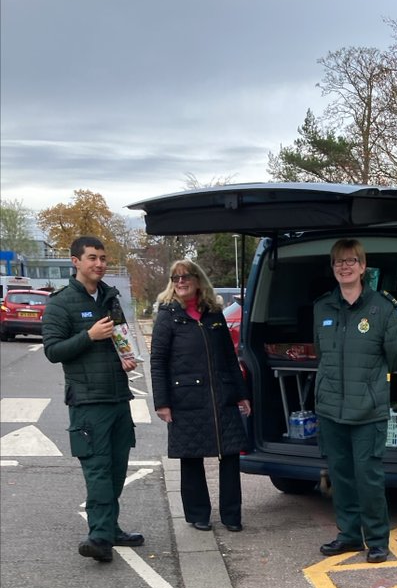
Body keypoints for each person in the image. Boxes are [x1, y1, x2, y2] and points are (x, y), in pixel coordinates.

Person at [42, 236, 143, 563]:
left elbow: (120, 341)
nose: (99, 263)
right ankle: (98, 537)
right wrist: (88, 336)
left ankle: (110, 529)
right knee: (98, 470)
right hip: (88, 402)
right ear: (75, 261)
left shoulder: (110, 297)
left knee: (116, 469)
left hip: (118, 396)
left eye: (102, 257)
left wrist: (125, 358)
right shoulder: (60, 303)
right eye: (92, 258)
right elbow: (53, 351)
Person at [313, 239, 397, 563]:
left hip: (368, 410)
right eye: (339, 262)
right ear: (333, 268)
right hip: (331, 409)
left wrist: (370, 385)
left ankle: (378, 540)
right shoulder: (322, 307)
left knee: (368, 478)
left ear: (363, 267)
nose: (345, 266)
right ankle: (350, 536)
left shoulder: (382, 309)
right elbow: (321, 352)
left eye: (351, 261)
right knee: (340, 476)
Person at [151, 259, 251, 531]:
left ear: (198, 280)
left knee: (230, 455)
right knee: (191, 456)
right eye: (176, 278)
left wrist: (242, 394)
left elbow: (230, 358)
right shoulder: (167, 315)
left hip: (222, 394)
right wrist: (162, 403)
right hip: (186, 398)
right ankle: (198, 515)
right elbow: (158, 361)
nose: (181, 282)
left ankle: (232, 516)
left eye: (186, 277)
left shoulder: (213, 313)